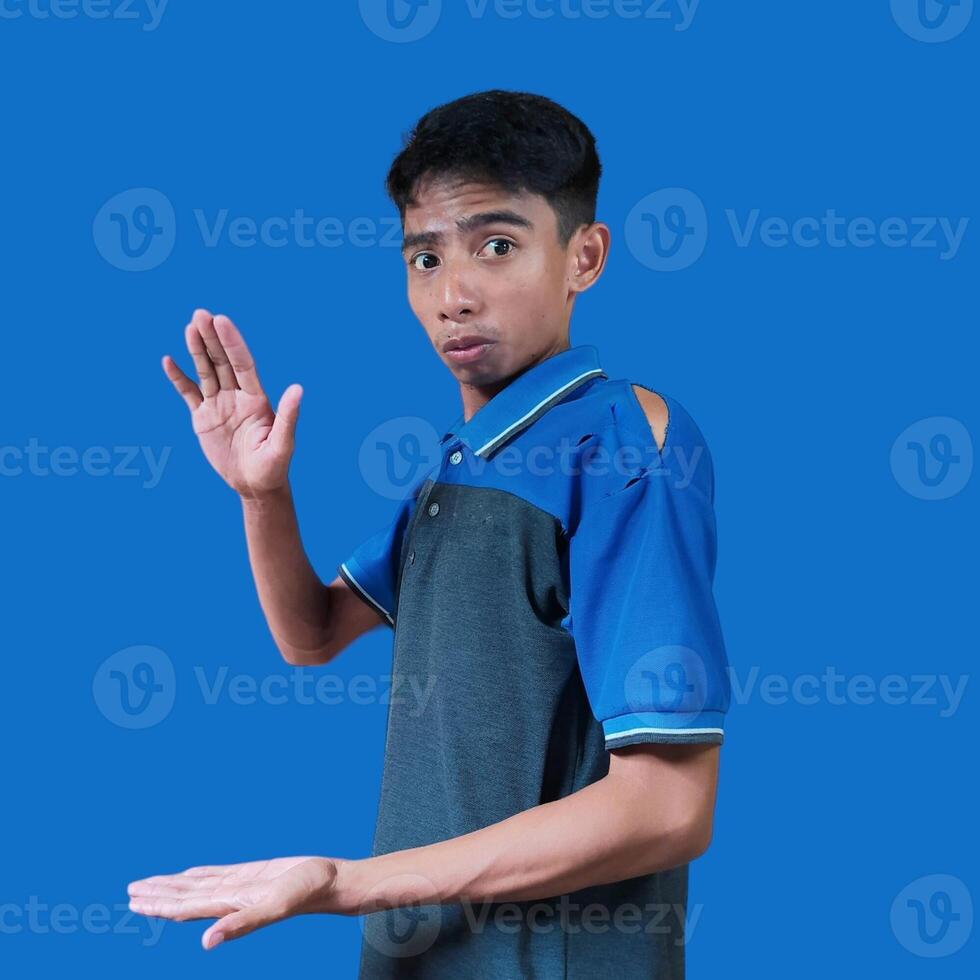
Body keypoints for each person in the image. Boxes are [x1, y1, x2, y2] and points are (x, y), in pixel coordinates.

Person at [127, 89, 732, 978]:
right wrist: (263, 496)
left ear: (585, 257)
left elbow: (668, 807)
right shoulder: (461, 466)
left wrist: (345, 883)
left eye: (497, 246)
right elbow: (314, 632)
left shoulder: (624, 447)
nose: (452, 294)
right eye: (424, 256)